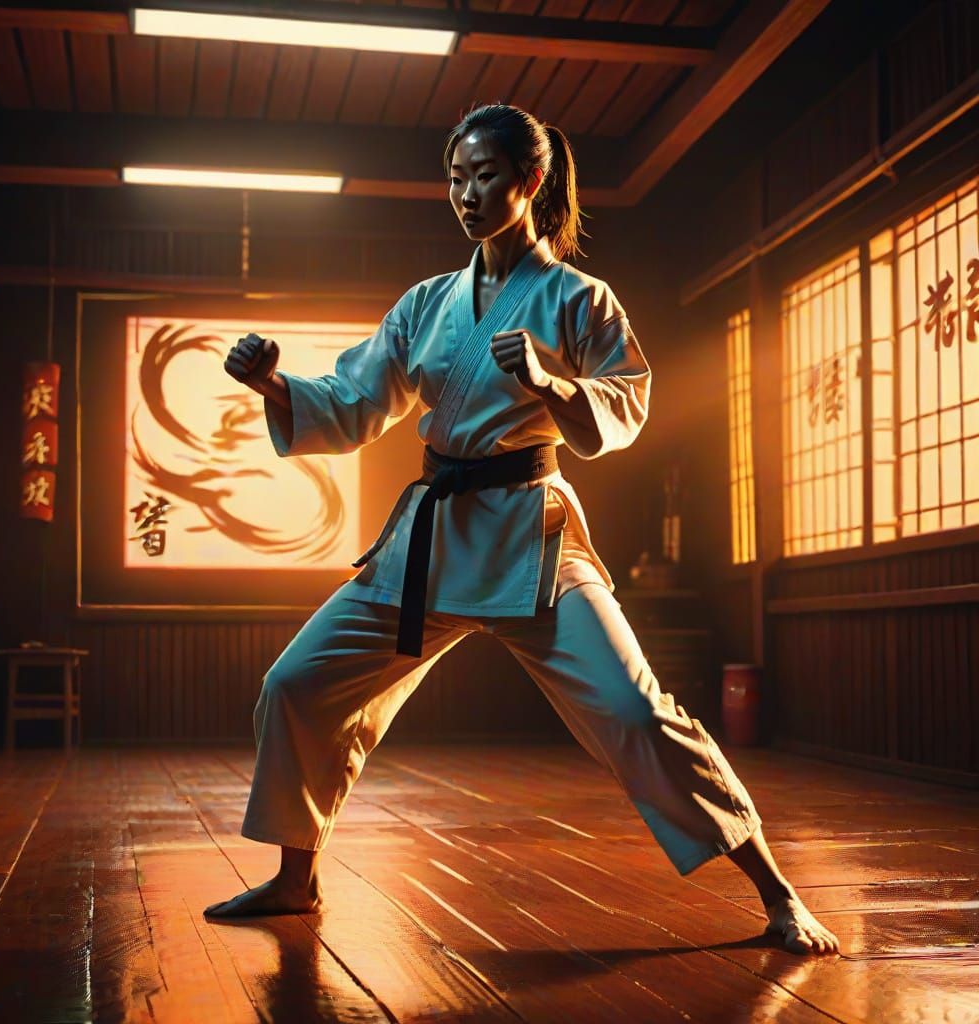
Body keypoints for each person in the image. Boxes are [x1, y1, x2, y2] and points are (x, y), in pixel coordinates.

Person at [204, 103, 839, 956]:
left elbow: (627, 402)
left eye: (484, 176)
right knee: (297, 684)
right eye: (455, 178)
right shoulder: (429, 303)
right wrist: (277, 388)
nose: (466, 194)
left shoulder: (579, 299)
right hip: (431, 541)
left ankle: (777, 891)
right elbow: (357, 400)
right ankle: (294, 878)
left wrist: (553, 385)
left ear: (530, 183)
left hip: (531, 539)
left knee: (636, 713)